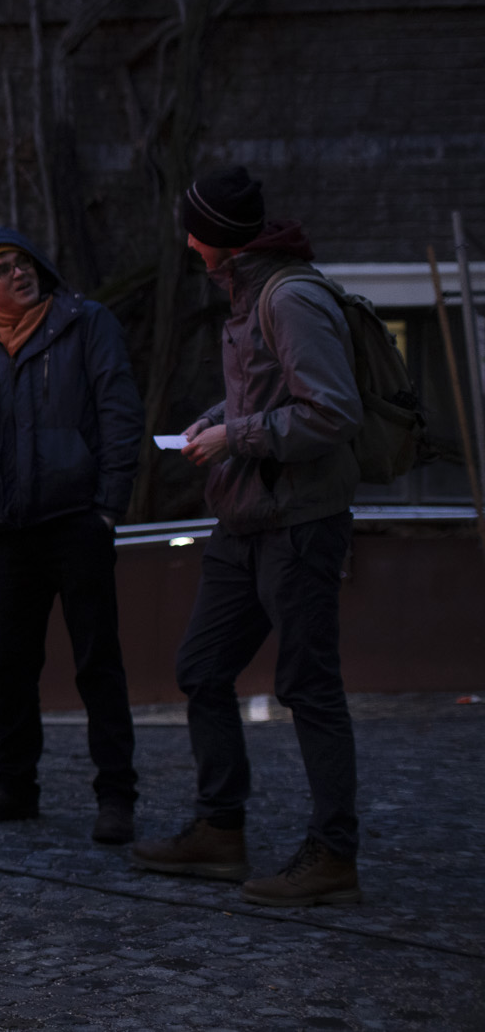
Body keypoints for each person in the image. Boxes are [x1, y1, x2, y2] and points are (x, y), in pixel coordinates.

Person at [132, 166, 364, 907]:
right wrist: (215, 420)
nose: (188, 241)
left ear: (218, 240)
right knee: (202, 666)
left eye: (194, 230)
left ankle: (333, 854)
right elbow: (260, 393)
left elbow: (332, 412)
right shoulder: (247, 292)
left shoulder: (289, 295)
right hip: (244, 521)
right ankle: (219, 831)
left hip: (297, 524)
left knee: (308, 687)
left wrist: (238, 435)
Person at [0, 227, 145, 845]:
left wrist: (109, 509)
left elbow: (120, 413)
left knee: (97, 663)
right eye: (0, 270)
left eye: (22, 261)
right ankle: (15, 787)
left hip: (76, 521)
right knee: (10, 664)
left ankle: (116, 796)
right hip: (8, 529)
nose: (18, 273)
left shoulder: (87, 323)